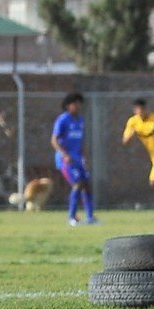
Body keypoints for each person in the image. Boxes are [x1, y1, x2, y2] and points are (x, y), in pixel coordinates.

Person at [53, 92, 97, 226]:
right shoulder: (63, 120)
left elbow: (81, 140)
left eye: (80, 104)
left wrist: (84, 157)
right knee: (78, 184)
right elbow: (54, 140)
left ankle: (90, 217)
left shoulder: (80, 120)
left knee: (87, 186)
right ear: (68, 105)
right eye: (76, 104)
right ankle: (72, 217)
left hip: (78, 159)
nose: (78, 106)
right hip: (66, 160)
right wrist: (64, 155)